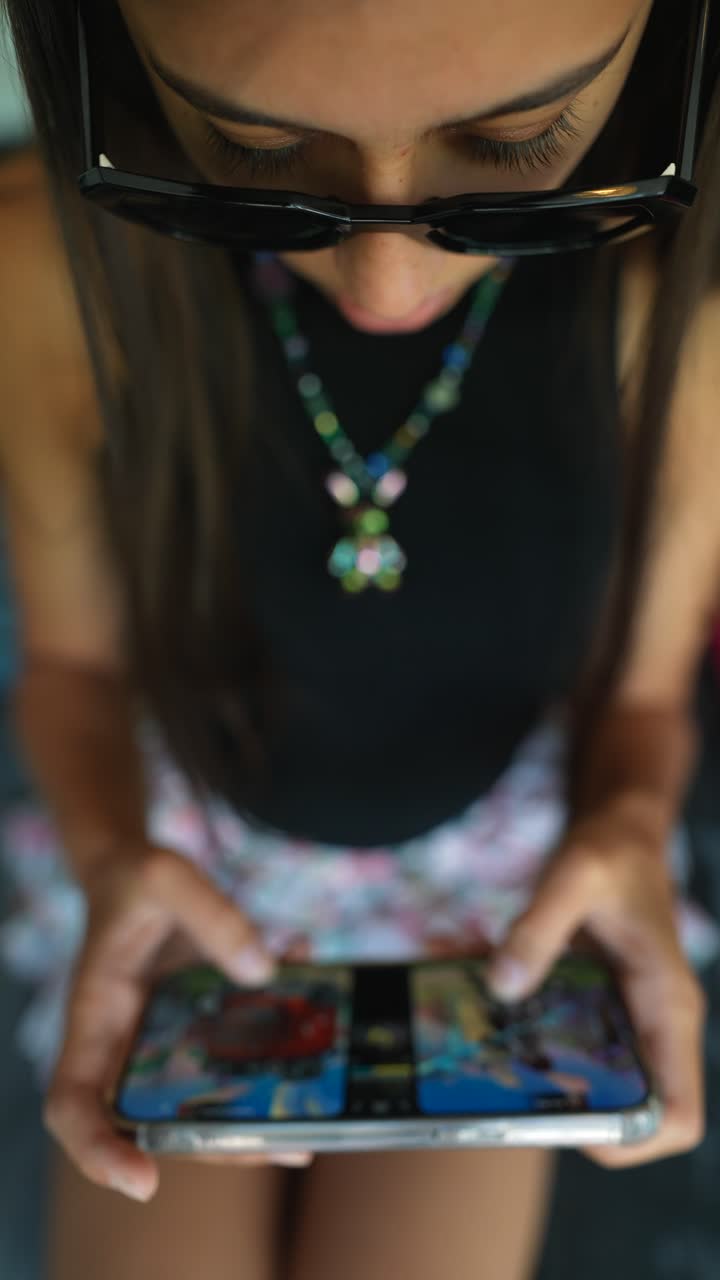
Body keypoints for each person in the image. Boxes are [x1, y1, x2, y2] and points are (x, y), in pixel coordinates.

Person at [1, 0, 720, 1276]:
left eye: (520, 143)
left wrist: (628, 821)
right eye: (255, 153)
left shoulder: (681, 315)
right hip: (188, 873)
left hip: (501, 899)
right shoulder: (45, 268)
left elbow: (644, 702)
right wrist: (113, 848)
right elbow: (74, 672)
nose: (389, 283)